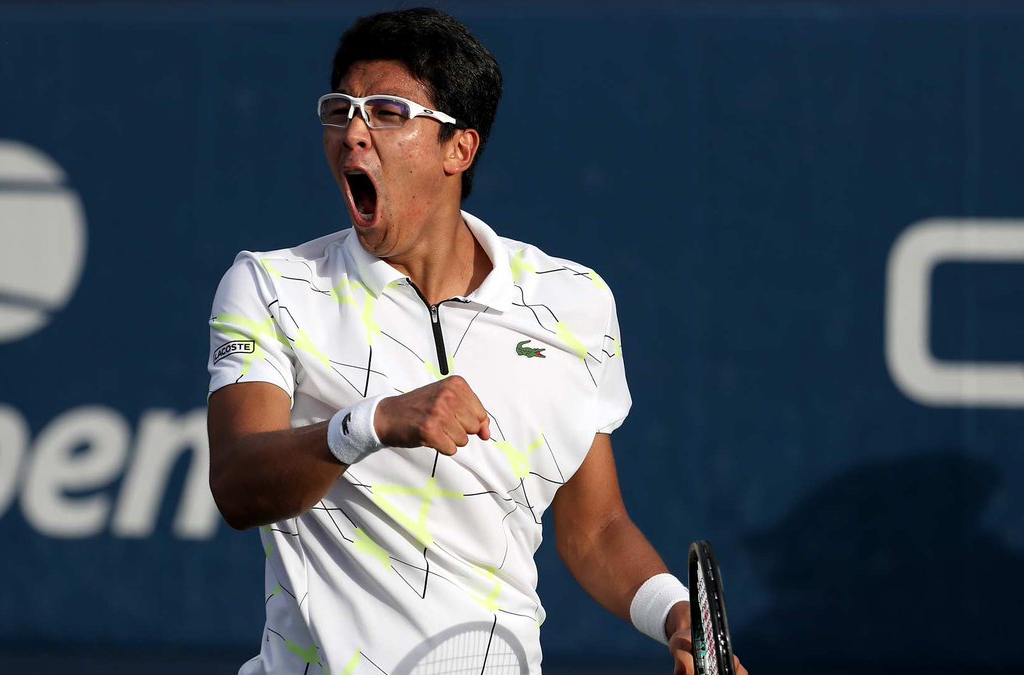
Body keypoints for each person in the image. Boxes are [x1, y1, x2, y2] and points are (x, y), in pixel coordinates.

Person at [207, 8, 747, 675]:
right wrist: (369, 423)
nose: (353, 133)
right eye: (341, 109)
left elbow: (595, 528)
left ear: (458, 148)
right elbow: (237, 483)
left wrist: (672, 611)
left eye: (386, 112)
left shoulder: (572, 303)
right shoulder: (271, 287)